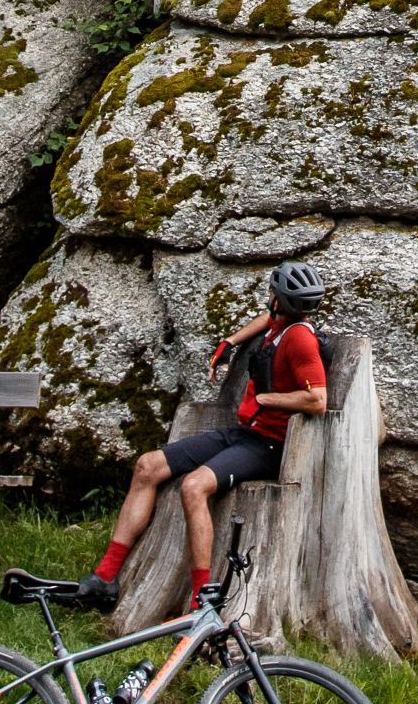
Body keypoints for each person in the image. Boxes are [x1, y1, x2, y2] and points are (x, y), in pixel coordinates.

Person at [78, 258, 331, 611]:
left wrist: (265, 398)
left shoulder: (300, 340)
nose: (269, 298)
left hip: (269, 446)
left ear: (281, 300)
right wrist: (230, 341)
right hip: (243, 433)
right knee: (148, 466)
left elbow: (318, 400)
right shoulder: (280, 325)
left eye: (273, 293)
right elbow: (265, 321)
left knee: (194, 487)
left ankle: (202, 600)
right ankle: (104, 577)